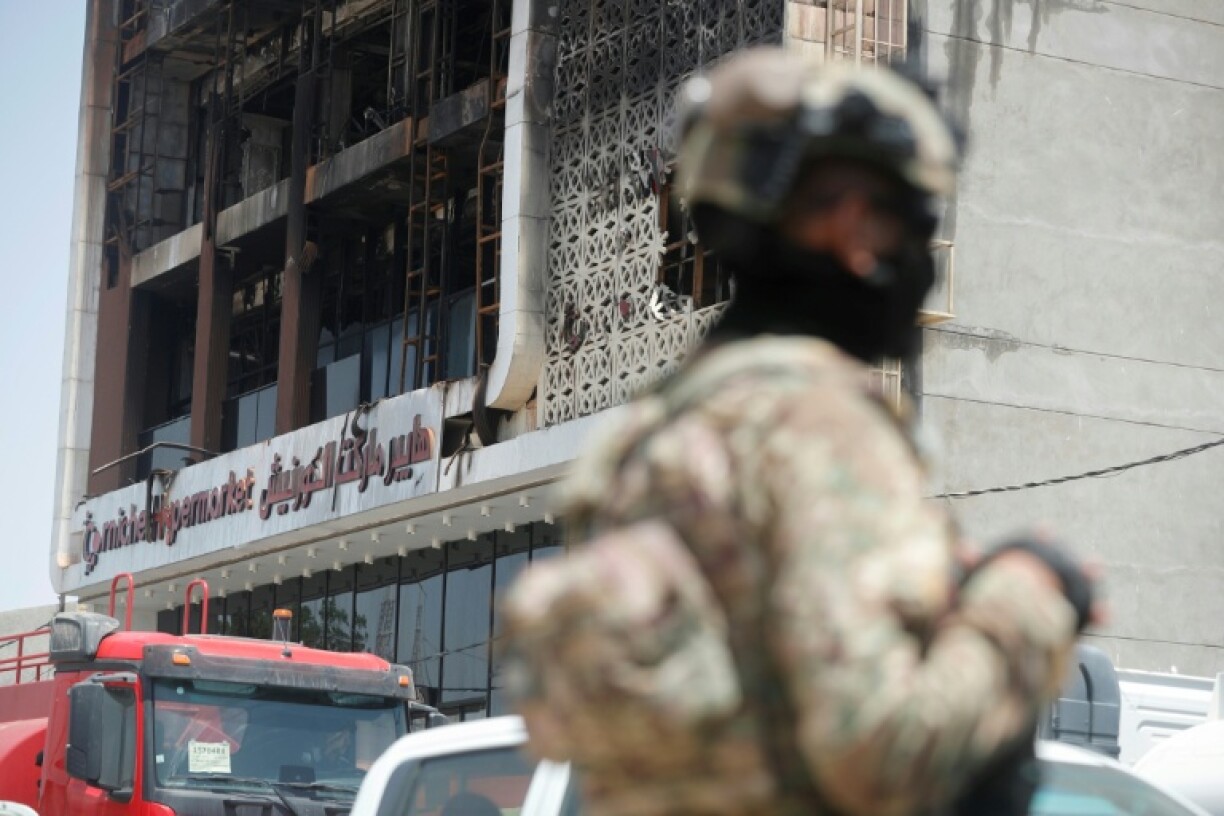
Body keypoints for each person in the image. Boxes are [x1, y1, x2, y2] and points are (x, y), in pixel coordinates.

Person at [501, 48, 1096, 816]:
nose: (923, 258)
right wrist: (1030, 593)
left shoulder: (652, 436)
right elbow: (882, 754)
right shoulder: (817, 424)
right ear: (854, 228)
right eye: (915, 220)